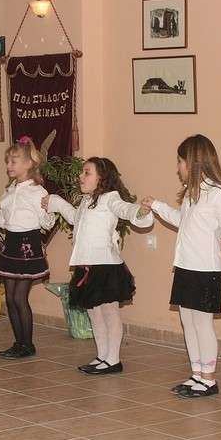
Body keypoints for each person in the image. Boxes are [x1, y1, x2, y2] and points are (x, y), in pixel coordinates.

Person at [141, 135, 221, 398]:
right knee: (188, 321)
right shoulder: (191, 193)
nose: (178, 167)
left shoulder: (217, 193)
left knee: (202, 323)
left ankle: (209, 378)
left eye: (180, 161)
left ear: (193, 161)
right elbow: (181, 221)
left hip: (207, 269)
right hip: (185, 266)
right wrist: (156, 206)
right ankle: (196, 374)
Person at [45, 157, 153, 374]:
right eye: (82, 172)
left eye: (87, 172)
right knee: (94, 313)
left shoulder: (110, 198)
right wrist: (56, 203)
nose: (81, 176)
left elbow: (125, 209)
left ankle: (113, 359)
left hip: (105, 266)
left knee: (109, 313)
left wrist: (140, 212)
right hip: (87, 265)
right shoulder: (87, 201)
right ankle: (102, 355)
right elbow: (75, 218)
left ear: (101, 177)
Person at [0, 136, 56, 359]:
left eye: (13, 161)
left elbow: (47, 223)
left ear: (28, 163)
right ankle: (18, 343)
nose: (9, 165)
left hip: (28, 246)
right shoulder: (9, 191)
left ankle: (28, 345)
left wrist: (51, 210)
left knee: (19, 297)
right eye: (7, 161)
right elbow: (3, 221)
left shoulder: (38, 192)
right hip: (11, 245)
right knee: (9, 298)